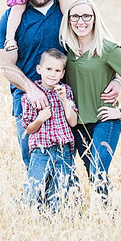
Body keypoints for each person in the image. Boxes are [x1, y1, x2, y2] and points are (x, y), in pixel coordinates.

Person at [59, 0, 121, 203]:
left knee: (98, 171)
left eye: (86, 15)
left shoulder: (108, 49)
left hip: (105, 120)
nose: (81, 21)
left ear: (95, 18)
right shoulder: (66, 49)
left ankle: (110, 217)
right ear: (69, 20)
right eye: (75, 16)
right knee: (93, 173)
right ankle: (110, 214)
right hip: (77, 123)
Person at [19, 49, 78, 211]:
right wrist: (40, 119)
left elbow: (73, 122)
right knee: (33, 188)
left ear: (62, 73)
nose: (52, 74)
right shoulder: (30, 96)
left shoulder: (66, 92)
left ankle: (55, 225)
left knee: (60, 192)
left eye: (57, 71)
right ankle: (22, 213)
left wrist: (64, 100)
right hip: (41, 151)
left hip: (63, 151)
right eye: (49, 69)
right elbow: (29, 129)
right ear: (39, 69)